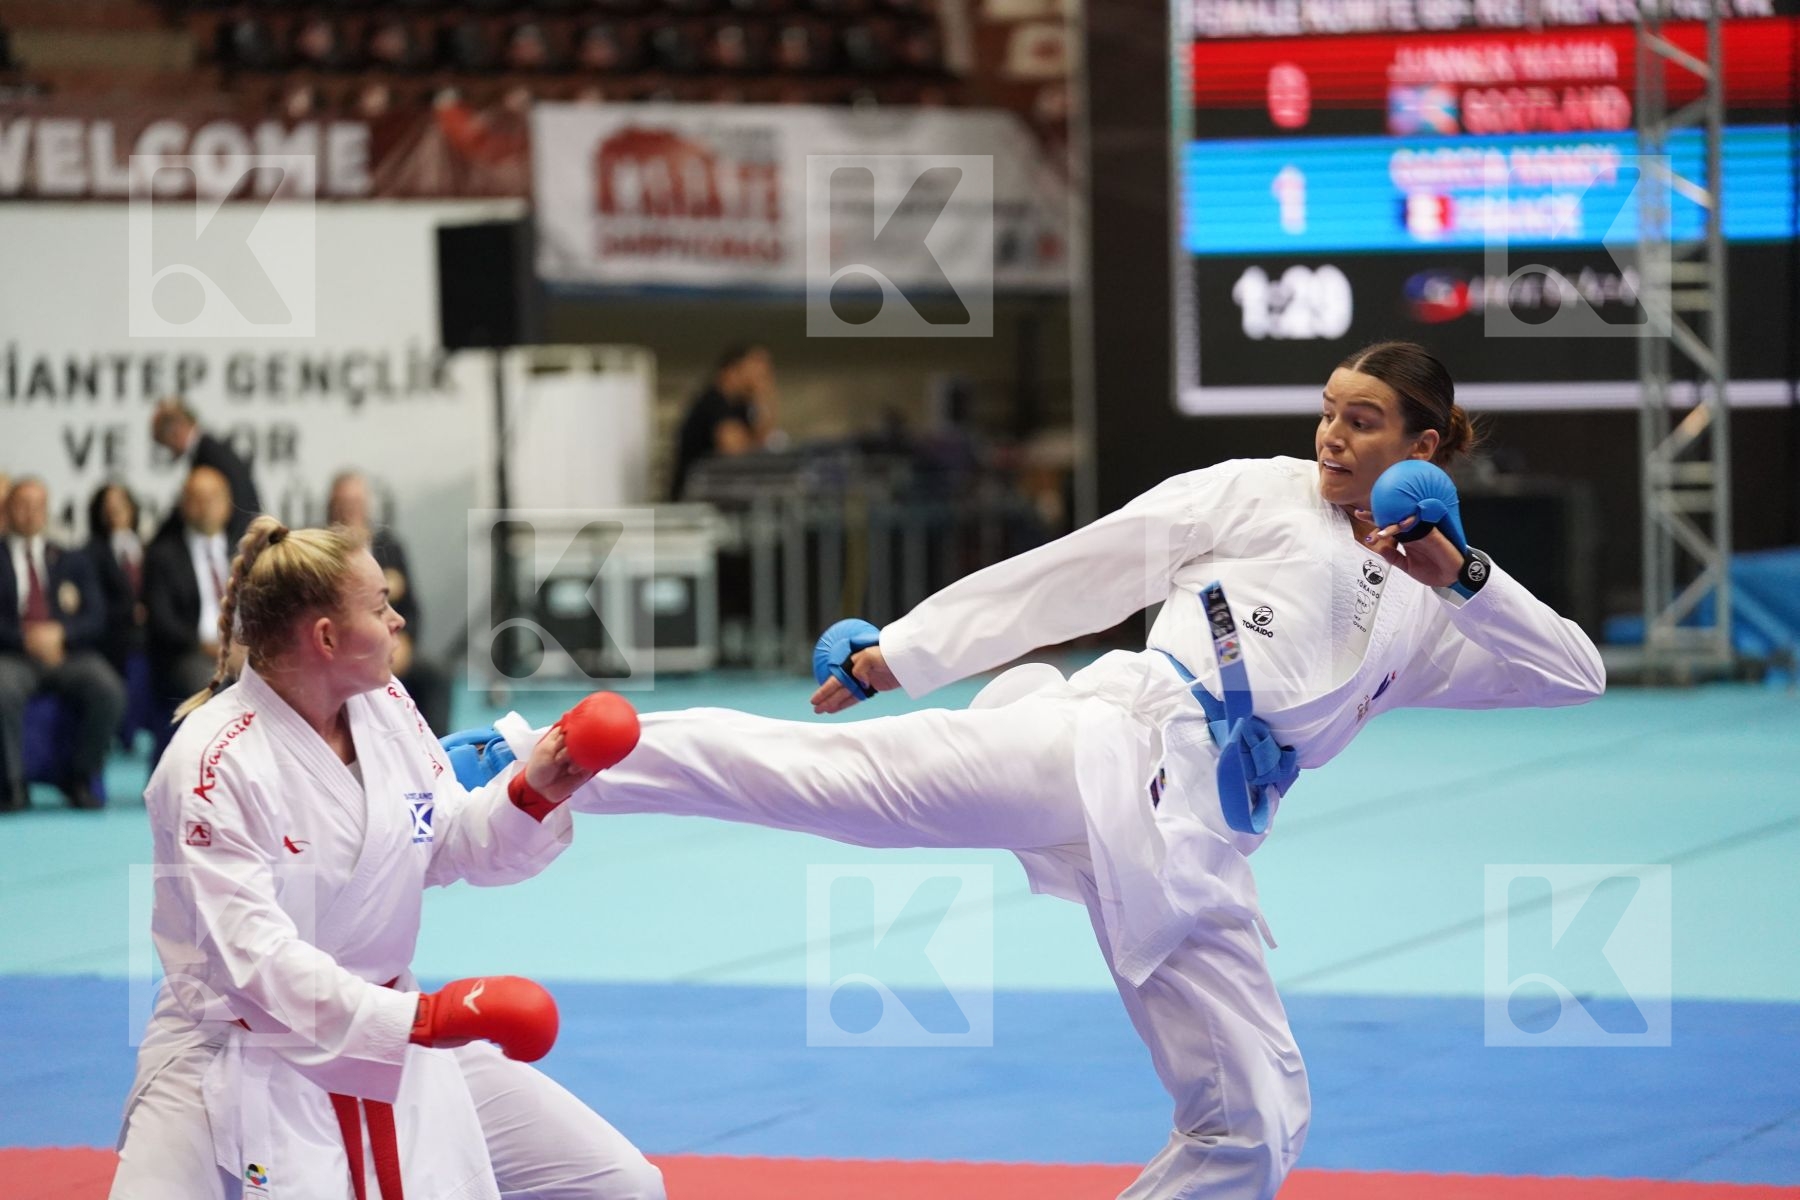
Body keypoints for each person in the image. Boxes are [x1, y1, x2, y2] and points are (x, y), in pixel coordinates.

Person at [475, 342, 1605, 1199]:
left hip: (1196, 856)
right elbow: (1074, 574)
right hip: (1098, 749)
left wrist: (1465, 577)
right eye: (1326, 412)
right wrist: (900, 655)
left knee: (1257, 1125)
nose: (1331, 438)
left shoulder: (1429, 620)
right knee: (821, 781)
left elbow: (1576, 673)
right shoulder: (1255, 494)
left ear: (1423, 450)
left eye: (1363, 423)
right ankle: (531, 757)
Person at [111, 516, 665, 1200]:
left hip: (390, 1028)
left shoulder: (385, 704)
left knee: (624, 1185)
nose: (400, 620)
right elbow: (251, 959)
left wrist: (531, 792)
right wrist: (427, 1021)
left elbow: (444, 837)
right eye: (380, 607)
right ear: (325, 637)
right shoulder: (211, 765)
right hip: (236, 1047)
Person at [0, 477, 126, 811]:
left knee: (108, 688)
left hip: (66, 653)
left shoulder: (71, 559)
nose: (28, 513)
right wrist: (25, 638)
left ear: (46, 512)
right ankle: (11, 783)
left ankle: (81, 777)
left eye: (36, 506)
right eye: (21, 505)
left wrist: (61, 634)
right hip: (13, 654)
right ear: (7, 510)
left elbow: (96, 615)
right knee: (2, 687)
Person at [326, 471, 452, 734]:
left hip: (391, 642)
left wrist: (405, 641)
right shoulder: (323, 551)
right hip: (351, 645)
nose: (352, 511)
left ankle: (436, 746)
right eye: (345, 504)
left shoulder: (390, 546)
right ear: (332, 507)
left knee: (434, 674)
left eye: (357, 504)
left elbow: (412, 609)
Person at [143, 467, 239, 714]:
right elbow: (162, 622)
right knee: (211, 685)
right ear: (183, 504)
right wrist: (209, 646)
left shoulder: (245, 551)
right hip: (190, 653)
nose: (205, 506)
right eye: (197, 498)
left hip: (242, 648)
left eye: (213, 498)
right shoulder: (163, 555)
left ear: (228, 504)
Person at [668, 343, 779, 500]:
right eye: (757, 366)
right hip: (693, 502)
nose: (764, 374)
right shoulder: (713, 402)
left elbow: (762, 443)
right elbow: (734, 451)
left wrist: (763, 399)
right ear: (734, 368)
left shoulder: (741, 408)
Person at [151, 396, 264, 542]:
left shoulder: (207, 456)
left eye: (164, 443)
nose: (169, 452)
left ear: (175, 431)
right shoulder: (212, 450)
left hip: (237, 539)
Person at [87, 482, 148, 681]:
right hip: (114, 634)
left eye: (121, 503)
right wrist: (131, 612)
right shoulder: (91, 553)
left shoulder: (148, 548)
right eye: (108, 506)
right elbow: (95, 603)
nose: (115, 511)